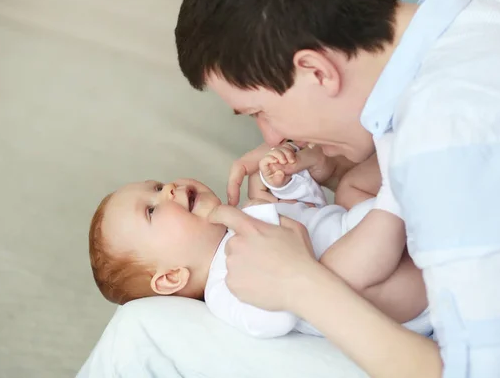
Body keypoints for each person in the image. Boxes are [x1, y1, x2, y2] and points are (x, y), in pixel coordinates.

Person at [172, 0, 500, 377]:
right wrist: (339, 170)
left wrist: (301, 284)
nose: (271, 137)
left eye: (260, 111)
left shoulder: (441, 142)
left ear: (315, 70)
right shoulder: (492, 12)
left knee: (148, 329)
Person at [87, 143, 431, 339]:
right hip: (401, 288)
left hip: (361, 226)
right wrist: (284, 260)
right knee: (334, 272)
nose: (168, 190)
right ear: (172, 277)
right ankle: (396, 188)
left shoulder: (249, 212)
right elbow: (274, 319)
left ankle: (408, 152)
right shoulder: (225, 287)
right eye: (151, 210)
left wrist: (285, 183)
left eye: (158, 186)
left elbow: (314, 211)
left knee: (350, 185)